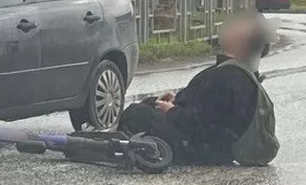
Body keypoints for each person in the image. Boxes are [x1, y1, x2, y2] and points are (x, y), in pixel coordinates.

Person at [119, 13, 279, 166]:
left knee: (136, 113)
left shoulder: (231, 75)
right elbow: (207, 106)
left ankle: (128, 146)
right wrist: (178, 100)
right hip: (211, 146)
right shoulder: (239, 71)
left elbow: (202, 125)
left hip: (204, 149)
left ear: (243, 41)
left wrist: (173, 111)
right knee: (151, 104)